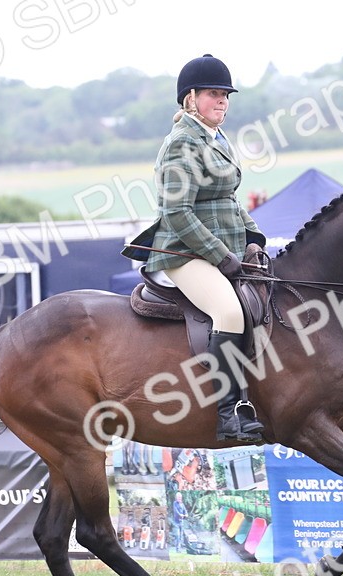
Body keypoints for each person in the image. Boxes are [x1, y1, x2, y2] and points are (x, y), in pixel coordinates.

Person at [123, 54, 267, 443]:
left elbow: (228, 200)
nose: (222, 101)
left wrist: (254, 236)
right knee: (228, 311)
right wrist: (220, 255)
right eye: (213, 94)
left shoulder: (216, 138)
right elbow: (177, 212)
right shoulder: (182, 143)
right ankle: (228, 413)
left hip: (222, 247)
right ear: (190, 98)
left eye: (225, 95)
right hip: (182, 251)